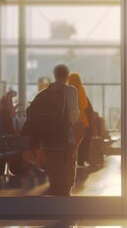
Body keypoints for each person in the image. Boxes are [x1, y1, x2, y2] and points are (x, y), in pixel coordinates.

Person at [37, 65, 79, 196]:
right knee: (66, 164)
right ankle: (64, 191)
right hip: (64, 136)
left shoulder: (44, 93)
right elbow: (73, 114)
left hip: (47, 137)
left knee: (52, 166)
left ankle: (55, 189)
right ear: (67, 76)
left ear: (54, 75)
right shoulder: (71, 91)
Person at [68, 73, 93, 167]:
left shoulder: (66, 90)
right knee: (83, 141)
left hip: (69, 120)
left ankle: (71, 161)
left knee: (71, 142)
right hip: (80, 119)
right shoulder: (80, 90)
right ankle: (81, 161)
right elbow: (84, 105)